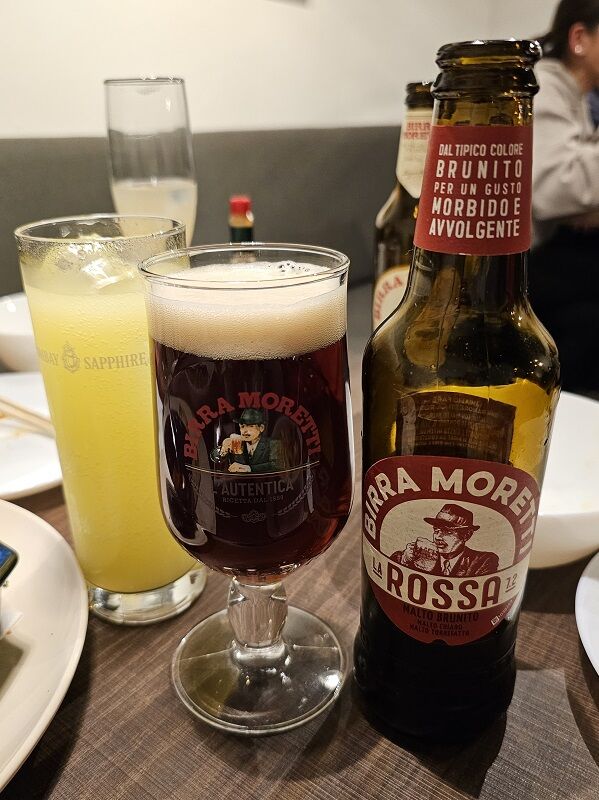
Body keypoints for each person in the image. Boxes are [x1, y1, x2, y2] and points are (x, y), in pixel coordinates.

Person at [530, 0, 599, 392]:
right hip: (527, 260)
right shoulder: (544, 85)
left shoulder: (578, 95)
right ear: (579, 38)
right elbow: (554, 188)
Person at [391, 503, 499, 577]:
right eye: (436, 530)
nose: (437, 537)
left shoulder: (483, 561)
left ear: (466, 535)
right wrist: (404, 560)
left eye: (447, 531)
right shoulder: (420, 555)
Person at [212, 409, 282, 474]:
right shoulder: (235, 442)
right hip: (237, 482)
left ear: (261, 428)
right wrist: (223, 449)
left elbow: (277, 465)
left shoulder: (272, 443)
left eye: (250, 426)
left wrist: (249, 468)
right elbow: (215, 460)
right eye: (242, 426)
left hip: (266, 482)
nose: (245, 431)